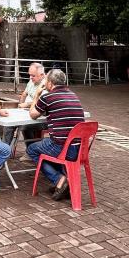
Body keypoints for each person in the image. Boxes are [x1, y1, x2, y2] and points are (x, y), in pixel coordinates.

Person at [26, 69, 86, 201]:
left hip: (63, 148)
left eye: (46, 80)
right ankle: (66, 180)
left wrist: (37, 94)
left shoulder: (47, 97)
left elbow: (33, 114)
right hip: (79, 148)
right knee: (48, 147)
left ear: (50, 83)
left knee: (31, 149)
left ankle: (59, 179)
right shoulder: (73, 95)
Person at [6, 63, 46, 159]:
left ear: (42, 75)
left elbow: (42, 102)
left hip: (40, 116)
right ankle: (5, 151)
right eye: (29, 75)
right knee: (9, 123)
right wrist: (20, 106)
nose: (30, 77)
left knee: (22, 125)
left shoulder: (45, 84)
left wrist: (27, 104)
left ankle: (29, 152)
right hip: (27, 112)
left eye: (33, 75)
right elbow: (24, 94)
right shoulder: (31, 81)